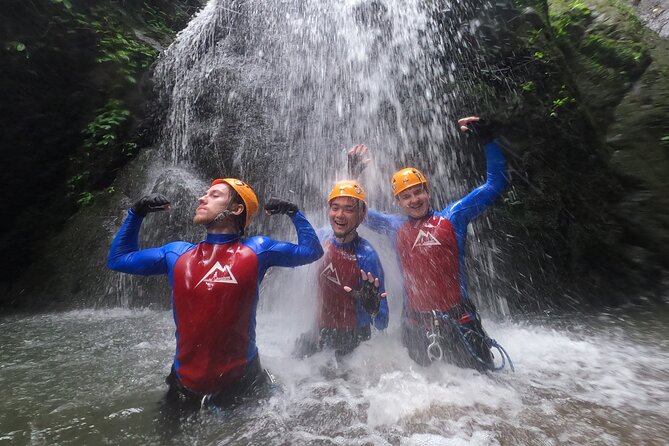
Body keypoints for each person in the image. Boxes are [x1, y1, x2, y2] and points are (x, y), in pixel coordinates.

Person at [107, 178, 323, 409]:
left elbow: (311, 251)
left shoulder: (258, 250)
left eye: (215, 195)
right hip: (184, 386)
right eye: (205, 194)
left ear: (236, 209)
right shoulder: (177, 253)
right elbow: (118, 260)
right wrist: (136, 214)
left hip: (242, 384)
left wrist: (294, 213)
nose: (202, 198)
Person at [349, 116, 511, 371]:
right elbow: (356, 211)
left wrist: (488, 139)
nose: (414, 200)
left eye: (418, 192)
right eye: (406, 196)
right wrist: (354, 174)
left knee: (482, 397)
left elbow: (495, 185)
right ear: (398, 202)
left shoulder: (453, 217)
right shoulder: (394, 226)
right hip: (417, 328)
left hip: (462, 324)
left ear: (428, 192)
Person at [293, 180, 389, 359]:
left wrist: (373, 308)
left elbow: (383, 322)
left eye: (349, 209)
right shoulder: (322, 239)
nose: (340, 215)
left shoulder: (367, 257)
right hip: (319, 334)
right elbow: (297, 254)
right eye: (335, 207)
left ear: (362, 215)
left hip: (353, 342)